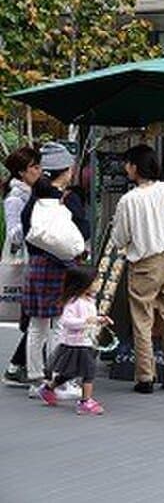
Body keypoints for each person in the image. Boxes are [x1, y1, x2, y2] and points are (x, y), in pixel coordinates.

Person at [111, 145, 164, 394]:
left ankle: (145, 378)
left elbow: (119, 238)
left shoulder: (129, 200)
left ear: (135, 167)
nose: (126, 168)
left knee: (142, 321)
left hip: (144, 265)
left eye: (127, 164)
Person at [21, 142, 89, 399]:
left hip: (37, 264)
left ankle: (36, 379)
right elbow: (83, 232)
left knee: (38, 326)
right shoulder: (66, 199)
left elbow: (28, 232)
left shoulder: (34, 198)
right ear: (67, 170)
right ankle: (60, 379)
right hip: (61, 266)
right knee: (62, 324)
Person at [35, 266, 111, 415]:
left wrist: (100, 320)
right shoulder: (74, 302)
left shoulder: (89, 300)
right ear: (83, 284)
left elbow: (91, 319)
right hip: (76, 344)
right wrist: (86, 321)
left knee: (70, 373)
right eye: (95, 281)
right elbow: (67, 321)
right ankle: (85, 402)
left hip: (86, 342)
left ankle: (48, 388)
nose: (98, 284)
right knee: (89, 372)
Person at [2, 146, 41, 386]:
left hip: (33, 259)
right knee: (36, 319)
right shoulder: (16, 198)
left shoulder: (32, 192)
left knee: (36, 319)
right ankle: (17, 366)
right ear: (21, 172)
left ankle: (18, 365)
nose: (39, 171)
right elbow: (15, 233)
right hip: (26, 261)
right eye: (34, 167)